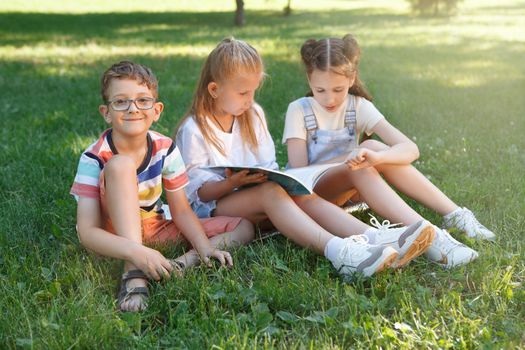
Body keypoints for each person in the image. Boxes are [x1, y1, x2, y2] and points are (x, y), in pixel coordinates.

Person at [175, 38, 436, 281]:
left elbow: (268, 166)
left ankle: (376, 239)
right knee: (270, 191)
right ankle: (340, 252)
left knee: (297, 192)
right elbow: (200, 195)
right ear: (214, 89)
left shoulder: (252, 114)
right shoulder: (194, 130)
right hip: (217, 206)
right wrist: (235, 181)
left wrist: (257, 177)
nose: (250, 100)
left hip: (253, 194)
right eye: (243, 93)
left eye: (254, 91)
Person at [283, 34, 494, 268]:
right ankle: (434, 238)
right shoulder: (299, 110)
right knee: (365, 154)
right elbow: (300, 175)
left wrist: (378, 158)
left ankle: (455, 215)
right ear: (308, 79)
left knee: (371, 152)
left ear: (352, 78)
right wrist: (352, 158)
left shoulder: (357, 106)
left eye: (338, 89)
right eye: (320, 90)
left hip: (350, 188)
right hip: (313, 193)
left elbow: (410, 149)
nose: (329, 98)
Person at [70, 61, 254, 312]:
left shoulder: (165, 148)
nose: (133, 108)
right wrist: (137, 252)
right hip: (113, 232)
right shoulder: (93, 157)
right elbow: (87, 232)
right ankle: (134, 273)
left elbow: (180, 210)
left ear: (156, 110)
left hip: (154, 227)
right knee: (121, 165)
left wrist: (204, 247)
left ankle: (178, 264)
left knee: (244, 227)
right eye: (121, 101)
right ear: (106, 112)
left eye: (143, 100)